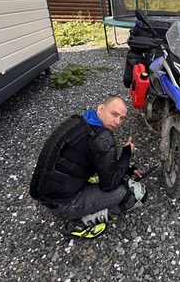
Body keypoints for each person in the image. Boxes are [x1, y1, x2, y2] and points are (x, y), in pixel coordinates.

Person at [30, 95, 147, 239]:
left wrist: (127, 168)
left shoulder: (77, 121)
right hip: (65, 205)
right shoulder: (102, 138)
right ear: (101, 109)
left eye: (122, 118)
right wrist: (126, 154)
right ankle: (80, 223)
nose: (117, 122)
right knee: (137, 194)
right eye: (114, 114)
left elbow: (99, 159)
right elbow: (109, 185)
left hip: (48, 195)